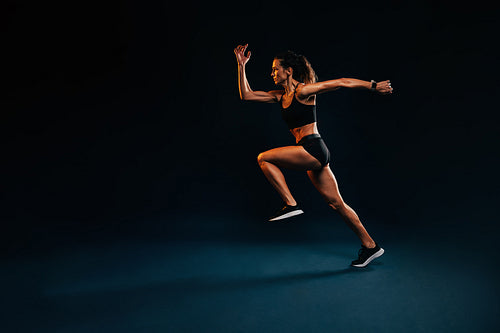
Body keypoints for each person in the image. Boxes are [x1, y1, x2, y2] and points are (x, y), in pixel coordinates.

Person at [234, 43, 392, 268]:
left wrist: (373, 86)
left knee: (263, 158)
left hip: (312, 148)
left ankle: (290, 203)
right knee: (337, 203)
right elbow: (246, 95)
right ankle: (371, 246)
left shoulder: (303, 91)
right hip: (310, 152)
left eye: (275, 69)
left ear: (288, 70)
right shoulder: (280, 96)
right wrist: (241, 66)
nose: (272, 73)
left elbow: (341, 82)